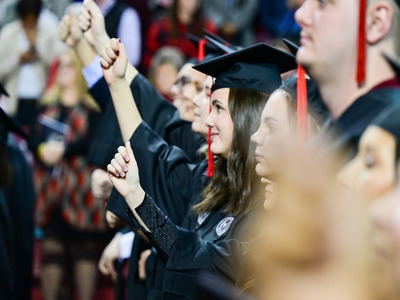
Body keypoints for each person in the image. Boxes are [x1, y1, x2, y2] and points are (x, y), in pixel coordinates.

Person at [102, 38, 296, 298]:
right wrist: (117, 86)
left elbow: (204, 261)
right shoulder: (210, 182)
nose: (208, 119)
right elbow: (154, 158)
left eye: (218, 108)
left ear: (245, 114)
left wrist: (137, 198)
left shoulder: (272, 204)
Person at [31, 50, 109, 300]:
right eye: (59, 65)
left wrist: (64, 150)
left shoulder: (92, 109)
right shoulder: (46, 105)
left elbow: (96, 142)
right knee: (51, 248)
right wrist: (43, 150)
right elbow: (34, 139)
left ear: (77, 71)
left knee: (84, 249)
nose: (62, 70)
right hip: (51, 190)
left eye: (68, 65)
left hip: (80, 190)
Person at [295, 0, 400, 166]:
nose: (300, 15)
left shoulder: (389, 139)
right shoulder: (332, 136)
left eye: (322, 3)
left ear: (375, 22)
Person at [0, 0, 64, 131]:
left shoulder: (48, 33)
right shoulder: (8, 34)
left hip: (41, 100)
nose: (29, 24)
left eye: (33, 20)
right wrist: (18, 59)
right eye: (26, 20)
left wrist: (37, 49)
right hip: (14, 102)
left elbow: (57, 65)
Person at [143, 0, 217, 71]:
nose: (192, 1)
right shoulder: (161, 26)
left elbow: (214, 57)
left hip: (197, 76)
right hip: (167, 76)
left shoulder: (207, 28)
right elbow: (149, 58)